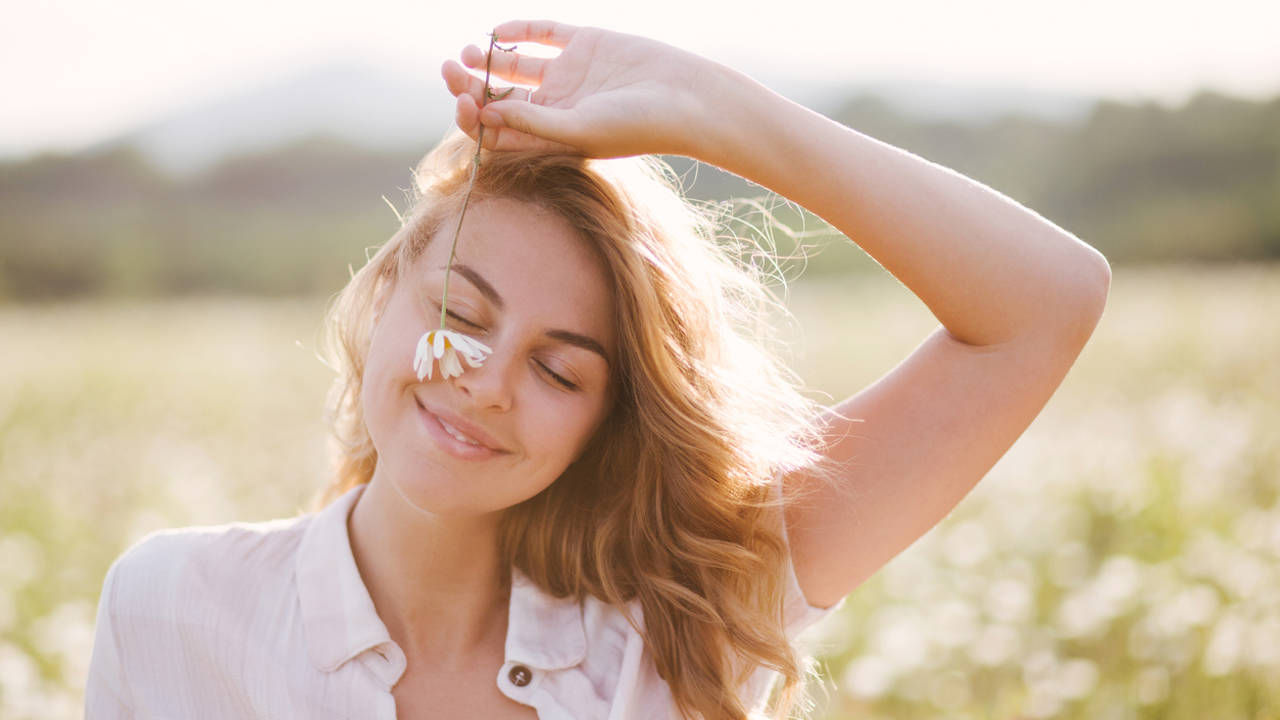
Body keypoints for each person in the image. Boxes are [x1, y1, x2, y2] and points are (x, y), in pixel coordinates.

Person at [84, 19, 1111, 720]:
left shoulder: (687, 618)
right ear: (383, 293)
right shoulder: (170, 607)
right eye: (458, 314)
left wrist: (703, 107)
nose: (485, 381)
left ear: (606, 420)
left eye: (559, 371)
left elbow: (1043, 303)